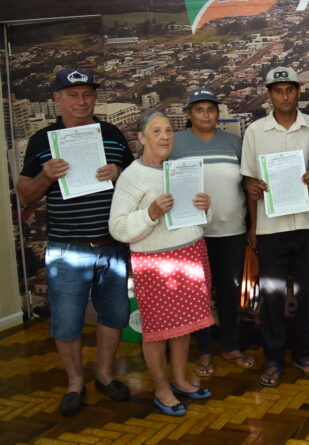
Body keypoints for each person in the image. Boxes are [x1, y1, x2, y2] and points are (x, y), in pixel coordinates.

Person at [16, 69, 134, 416]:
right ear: (57, 99)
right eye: (73, 94)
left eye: (87, 94)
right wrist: (45, 176)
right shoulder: (43, 140)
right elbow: (25, 196)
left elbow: (137, 182)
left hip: (111, 245)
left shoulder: (112, 134)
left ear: (94, 98)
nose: (81, 101)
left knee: (113, 316)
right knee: (66, 321)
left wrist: (120, 173)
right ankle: (74, 384)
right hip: (67, 249)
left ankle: (105, 374)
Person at [109, 110, 214, 417]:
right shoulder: (131, 176)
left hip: (191, 252)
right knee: (157, 330)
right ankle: (161, 388)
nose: (165, 136)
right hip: (155, 262)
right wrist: (150, 213)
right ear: (141, 138)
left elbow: (197, 219)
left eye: (168, 130)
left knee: (183, 327)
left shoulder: (178, 170)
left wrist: (205, 207)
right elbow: (117, 226)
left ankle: (180, 379)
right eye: (156, 131)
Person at [241, 67, 309, 386]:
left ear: (298, 92)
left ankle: (304, 354)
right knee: (272, 296)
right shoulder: (255, 132)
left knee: (306, 294)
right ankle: (274, 359)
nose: (284, 96)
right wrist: (252, 224)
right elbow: (249, 180)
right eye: (278, 90)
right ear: (269, 94)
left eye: (290, 89)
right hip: (270, 226)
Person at [170, 88, 255, 377]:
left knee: (229, 292)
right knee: (197, 294)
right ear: (189, 114)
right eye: (199, 109)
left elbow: (247, 184)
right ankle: (204, 350)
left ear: (218, 113)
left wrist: (252, 226)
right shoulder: (175, 143)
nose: (206, 115)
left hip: (231, 231)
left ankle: (231, 346)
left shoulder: (233, 142)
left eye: (211, 109)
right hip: (191, 233)